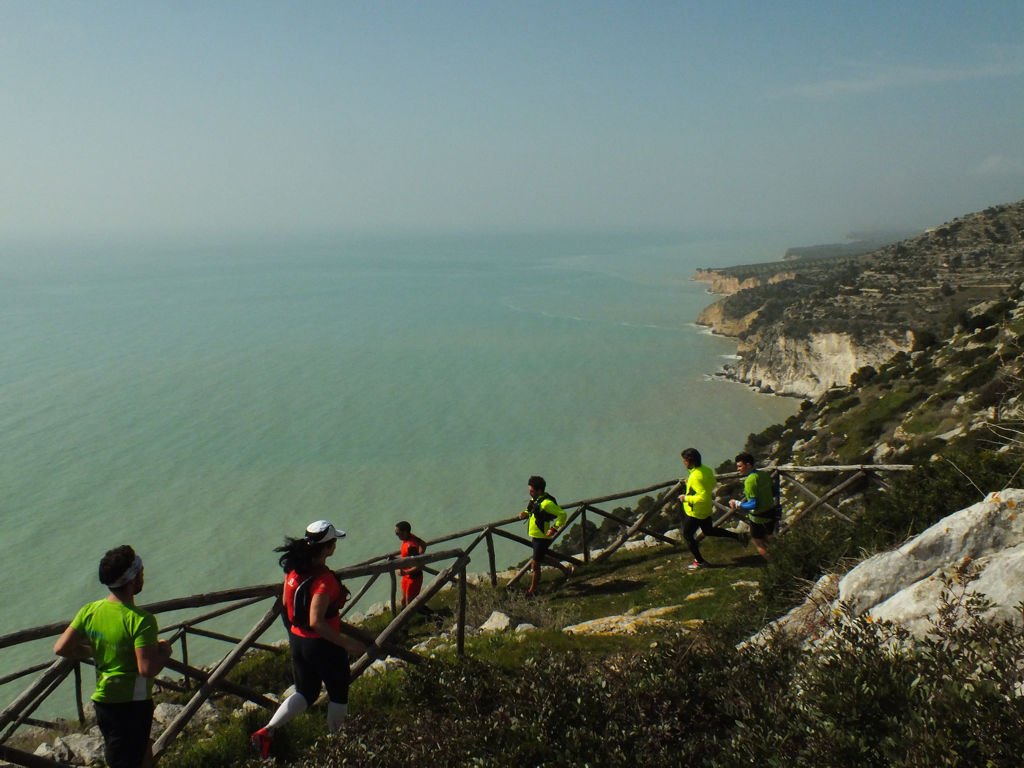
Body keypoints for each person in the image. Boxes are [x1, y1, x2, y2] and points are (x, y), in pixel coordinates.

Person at [250, 520, 366, 758]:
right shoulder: (324, 581)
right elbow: (317, 622)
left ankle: (267, 731)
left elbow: (285, 604)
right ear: (325, 549)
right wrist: (347, 643)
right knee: (338, 694)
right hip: (322, 645)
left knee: (306, 692)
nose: (335, 545)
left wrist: (295, 635)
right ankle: (338, 747)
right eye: (333, 542)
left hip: (298, 641)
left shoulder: (292, 571)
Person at [54, 545, 172, 768]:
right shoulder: (141, 620)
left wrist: (90, 651)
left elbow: (61, 648)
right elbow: (147, 669)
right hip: (132, 703)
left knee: (140, 754)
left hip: (104, 701)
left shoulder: (89, 611)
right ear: (132, 579)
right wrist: (164, 653)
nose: (143, 575)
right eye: (141, 571)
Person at [678, 448, 741, 570]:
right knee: (708, 531)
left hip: (695, 511)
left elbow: (701, 497)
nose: (683, 462)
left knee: (687, 536)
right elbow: (712, 484)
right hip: (706, 508)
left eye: (684, 460)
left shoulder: (695, 476)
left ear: (689, 461)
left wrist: (686, 498)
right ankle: (738, 537)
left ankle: (700, 562)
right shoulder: (705, 469)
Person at [518, 475, 567, 597]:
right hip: (536, 536)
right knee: (542, 558)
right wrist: (525, 513)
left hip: (542, 537)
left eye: (531, 490)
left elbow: (563, 514)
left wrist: (554, 528)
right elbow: (532, 510)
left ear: (539, 490)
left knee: (535, 565)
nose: (529, 492)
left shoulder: (547, 504)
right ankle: (566, 570)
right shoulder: (535, 499)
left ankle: (531, 591)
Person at [729, 452, 777, 561]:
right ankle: (787, 559)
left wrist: (737, 503)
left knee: (758, 543)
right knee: (770, 539)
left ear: (748, 465)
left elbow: (752, 504)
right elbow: (774, 492)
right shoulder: (764, 475)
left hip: (758, 517)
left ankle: (776, 564)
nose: (738, 469)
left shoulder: (750, 481)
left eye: (740, 466)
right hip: (771, 512)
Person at [394, 520, 428, 609]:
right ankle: (404, 621)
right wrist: (420, 554)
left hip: (413, 578)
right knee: (404, 601)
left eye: (398, 533)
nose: (397, 536)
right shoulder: (410, 537)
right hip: (407, 577)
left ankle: (437, 617)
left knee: (411, 605)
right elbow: (423, 544)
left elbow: (419, 565)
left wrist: (406, 572)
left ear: (405, 532)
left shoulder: (411, 546)